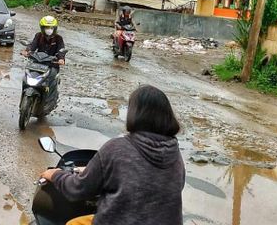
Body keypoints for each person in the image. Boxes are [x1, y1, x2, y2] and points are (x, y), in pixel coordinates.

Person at [40, 85, 184, 225]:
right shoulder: (175, 154)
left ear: (135, 114)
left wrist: (55, 174)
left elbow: (77, 189)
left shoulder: (116, 148)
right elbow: (148, 179)